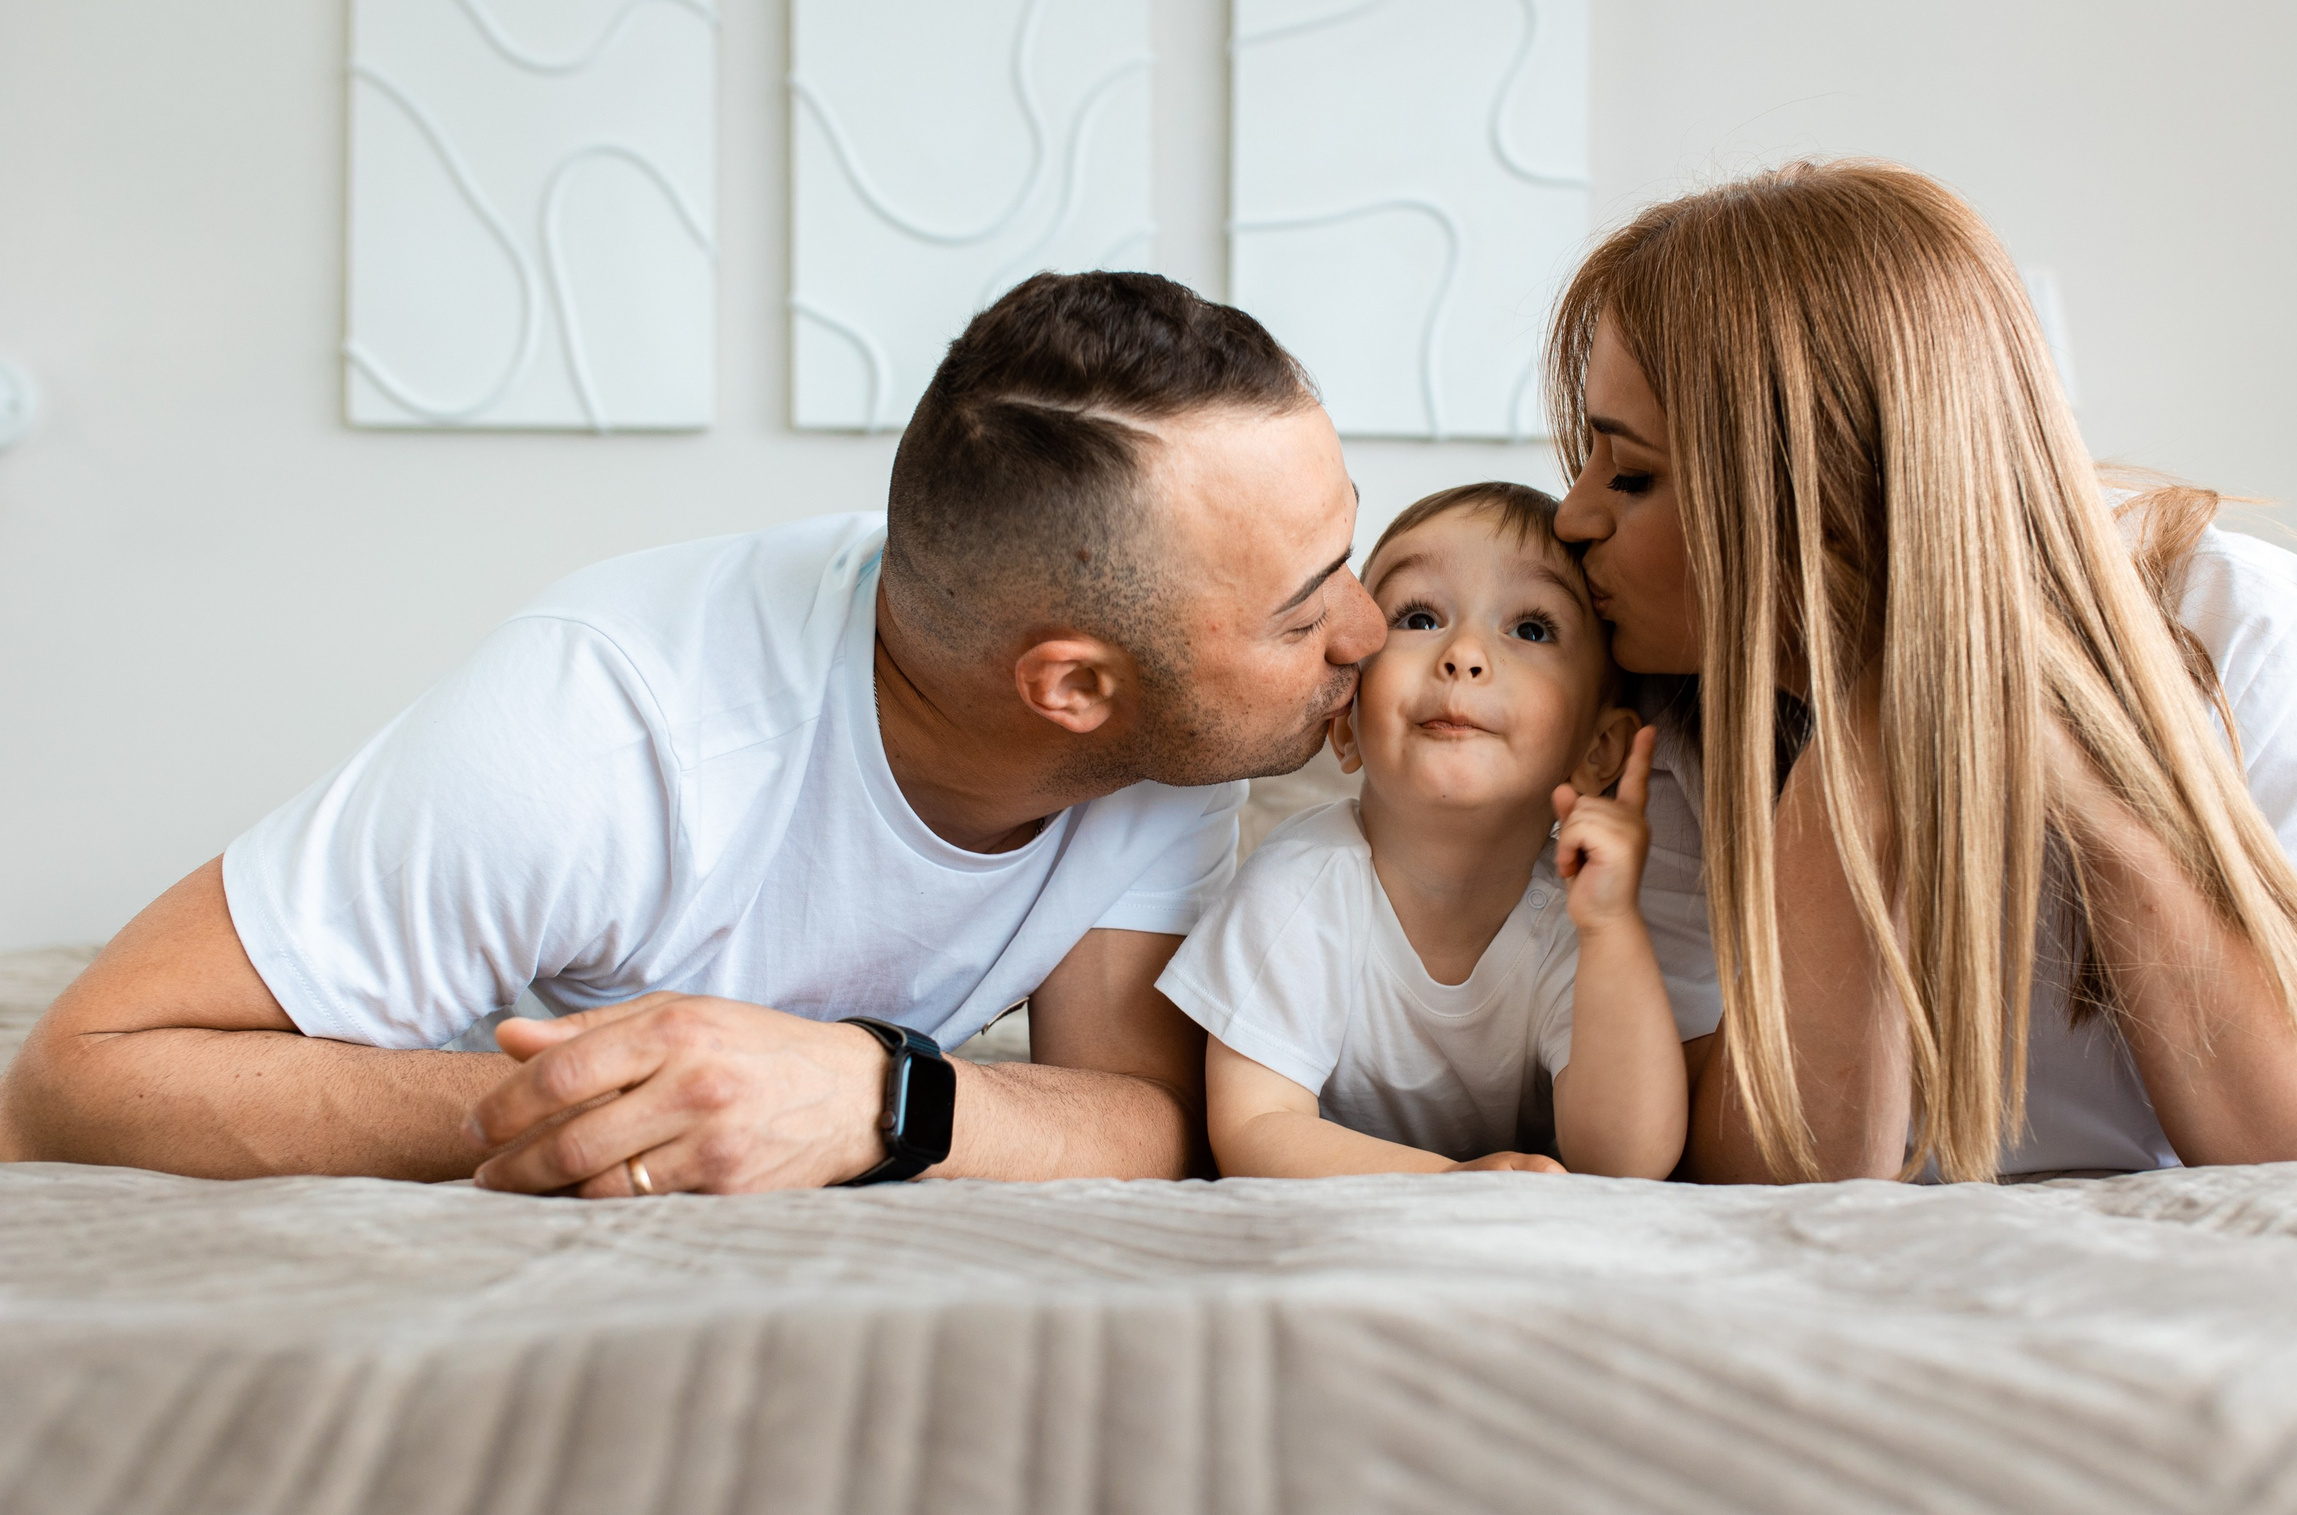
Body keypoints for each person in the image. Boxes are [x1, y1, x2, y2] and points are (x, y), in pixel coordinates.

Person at [0, 272, 1387, 1194]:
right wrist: (635, 1096)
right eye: (1303, 604)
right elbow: (72, 1080)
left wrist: (871, 1095)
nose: (1369, 630)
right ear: (1073, 685)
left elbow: (1141, 1117)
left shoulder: (1176, 739)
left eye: (1347, 550)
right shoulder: (596, 736)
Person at [1546, 161, 2297, 1185]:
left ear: (1820, 490)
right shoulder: (1659, 718)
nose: (1570, 519)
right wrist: (1863, 758)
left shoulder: (2238, 628)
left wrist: (2093, 792)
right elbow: (1776, 1175)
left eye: (1630, 474)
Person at [1163, 483, 1693, 1179]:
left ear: (1598, 751)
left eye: (1531, 628)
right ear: (1345, 723)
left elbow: (1627, 1161)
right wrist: (1446, 1182)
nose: (1465, 655)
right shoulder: (1298, 888)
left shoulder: (1579, 918)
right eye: (1418, 617)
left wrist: (1612, 929)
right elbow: (1255, 1128)